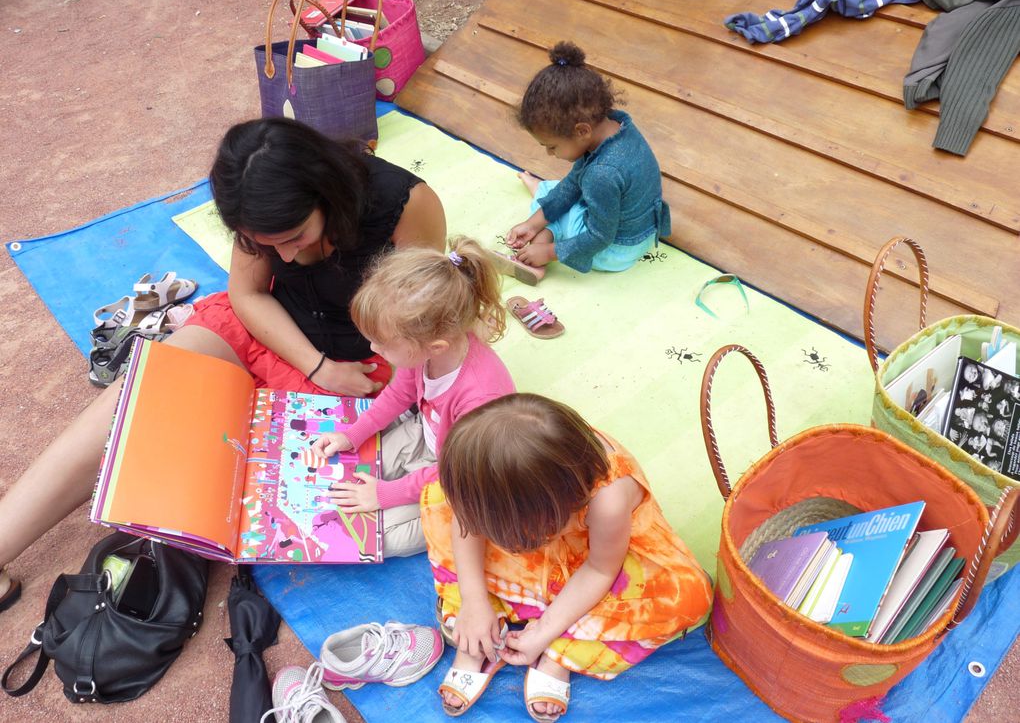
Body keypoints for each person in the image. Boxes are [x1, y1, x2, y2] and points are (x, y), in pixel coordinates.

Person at [0, 117, 446, 609]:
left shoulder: (405, 205)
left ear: (325, 194)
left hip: (364, 365)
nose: (286, 256)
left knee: (280, 494)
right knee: (130, 405)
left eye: (294, 236)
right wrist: (318, 367)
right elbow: (248, 294)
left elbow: (420, 320)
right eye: (265, 243)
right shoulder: (256, 206)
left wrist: (345, 373)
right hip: (271, 333)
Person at [424, 394, 713, 720]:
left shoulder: (609, 500)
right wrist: (473, 599)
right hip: (540, 527)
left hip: (600, 556)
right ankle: (481, 624)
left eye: (520, 537)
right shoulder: (505, 476)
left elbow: (601, 570)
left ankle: (559, 653)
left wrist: (546, 632)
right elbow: (467, 524)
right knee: (438, 497)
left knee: (685, 593)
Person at [311, 236, 515, 558]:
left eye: (382, 344)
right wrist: (352, 434)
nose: (372, 350)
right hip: (429, 436)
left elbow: (454, 474)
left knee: (382, 536)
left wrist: (386, 494)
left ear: (435, 347)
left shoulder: (479, 397)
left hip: (467, 477)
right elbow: (399, 393)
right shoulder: (423, 351)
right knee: (351, 475)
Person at [496, 41, 671, 285]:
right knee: (560, 191)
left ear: (581, 131)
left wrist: (547, 251)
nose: (549, 153)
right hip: (641, 232)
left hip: (615, 252)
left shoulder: (602, 174)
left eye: (552, 146)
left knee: (560, 206)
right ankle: (541, 209)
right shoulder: (617, 127)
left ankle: (539, 251)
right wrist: (531, 224)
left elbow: (599, 237)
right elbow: (573, 183)